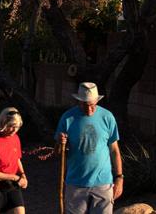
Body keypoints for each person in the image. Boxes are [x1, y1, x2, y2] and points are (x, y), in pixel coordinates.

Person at [55, 82, 123, 214]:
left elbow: (114, 150)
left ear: (97, 101)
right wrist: (60, 143)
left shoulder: (107, 117)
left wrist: (119, 177)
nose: (89, 109)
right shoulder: (68, 118)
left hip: (103, 183)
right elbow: (58, 153)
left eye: (92, 105)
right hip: (75, 183)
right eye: (85, 105)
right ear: (78, 101)